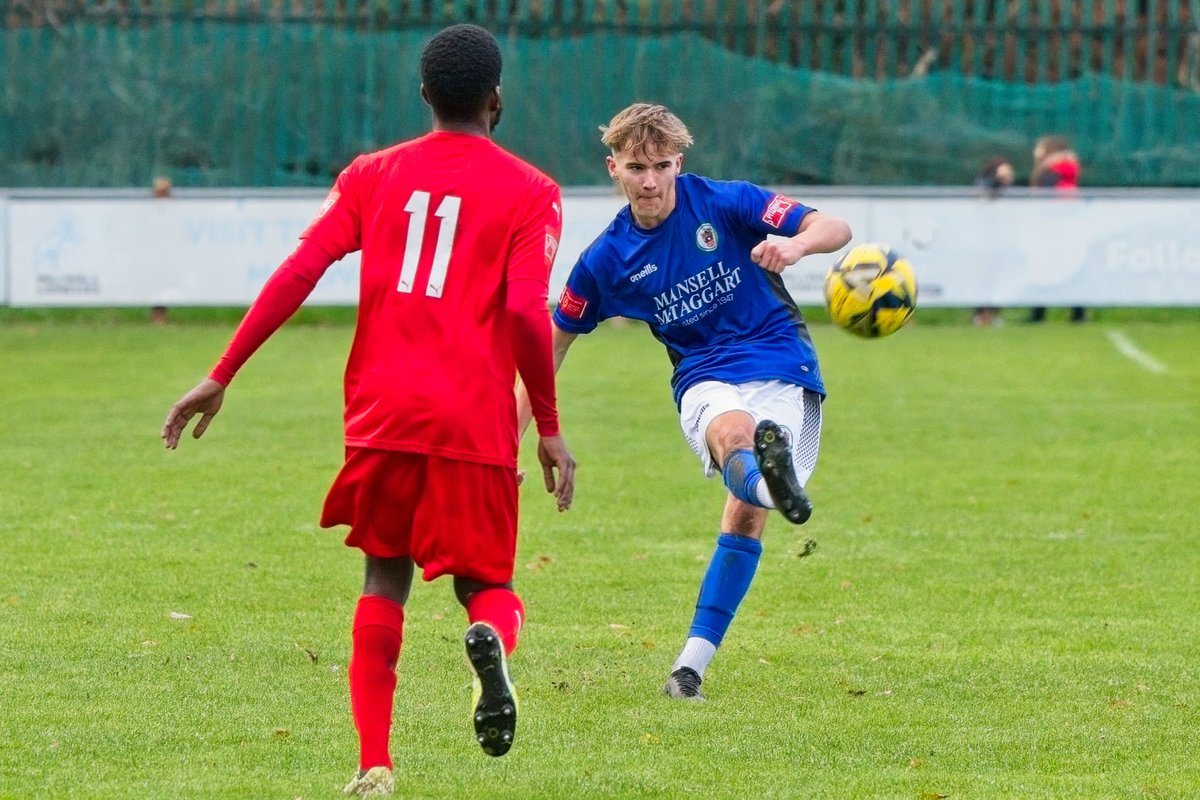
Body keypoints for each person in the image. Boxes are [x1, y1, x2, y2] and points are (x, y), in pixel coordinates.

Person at [161, 24, 575, 796]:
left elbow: (301, 267)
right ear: (497, 100)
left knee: (383, 582)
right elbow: (525, 314)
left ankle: (375, 764)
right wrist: (547, 426)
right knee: (486, 581)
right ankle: (489, 636)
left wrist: (223, 372)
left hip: (382, 415)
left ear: (425, 96)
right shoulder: (532, 190)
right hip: (471, 419)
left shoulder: (372, 174)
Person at [518, 103, 852, 701]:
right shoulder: (605, 259)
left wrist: (796, 248)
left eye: (661, 166)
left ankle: (688, 668)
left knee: (747, 511)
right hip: (702, 372)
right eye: (636, 167)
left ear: (679, 164)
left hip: (780, 362)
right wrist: (511, 437)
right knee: (732, 433)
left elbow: (834, 228)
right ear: (613, 168)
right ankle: (768, 478)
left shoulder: (726, 202)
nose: (649, 181)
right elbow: (549, 346)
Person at [1027, 135, 1085, 323]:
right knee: (1065, 268)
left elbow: (1043, 196)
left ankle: (1040, 313)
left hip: (1054, 226)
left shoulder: (1051, 171)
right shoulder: (1065, 170)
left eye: (1039, 147)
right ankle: (1077, 312)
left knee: (1045, 268)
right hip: (1064, 225)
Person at [971, 156, 1014, 327]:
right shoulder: (984, 183)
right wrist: (997, 181)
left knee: (999, 278)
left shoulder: (1009, 191)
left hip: (1002, 241)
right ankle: (980, 314)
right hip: (984, 240)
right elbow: (980, 195)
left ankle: (993, 313)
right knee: (983, 277)